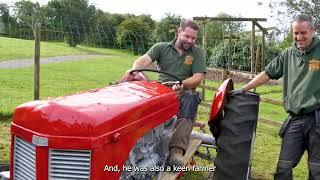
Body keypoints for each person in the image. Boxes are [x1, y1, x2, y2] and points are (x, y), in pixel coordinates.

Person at [232, 15, 320, 179]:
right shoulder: (288, 54)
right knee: (283, 168)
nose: (299, 37)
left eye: (303, 33)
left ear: (313, 31)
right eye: (296, 33)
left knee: (317, 171)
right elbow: (268, 73)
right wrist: (244, 88)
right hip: (295, 119)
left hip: (317, 119)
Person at [123, 19, 206, 166]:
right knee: (131, 90)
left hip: (182, 91)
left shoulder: (197, 52)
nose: (190, 40)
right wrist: (135, 70)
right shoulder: (161, 47)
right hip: (160, 90)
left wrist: (183, 84)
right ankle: (127, 143)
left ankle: (176, 150)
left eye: (193, 38)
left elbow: (198, 77)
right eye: (187, 36)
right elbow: (141, 62)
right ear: (178, 32)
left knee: (190, 98)